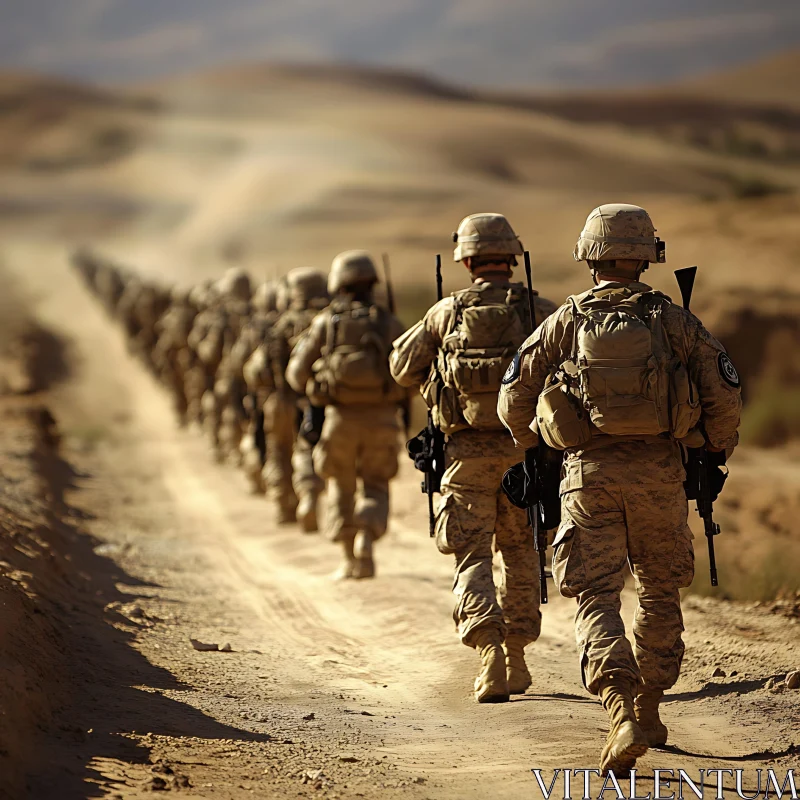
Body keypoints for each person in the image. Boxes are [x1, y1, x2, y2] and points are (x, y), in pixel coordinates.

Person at [497, 203, 742, 775]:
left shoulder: (568, 319)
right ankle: (652, 705)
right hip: (661, 473)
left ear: (589, 254)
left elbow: (514, 392)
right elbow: (725, 395)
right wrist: (712, 451)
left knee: (596, 593)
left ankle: (619, 708)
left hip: (588, 476)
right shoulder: (674, 320)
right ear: (649, 256)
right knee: (659, 590)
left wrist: (533, 440)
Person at [389, 213, 557, 703]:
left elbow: (401, 369)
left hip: (465, 455)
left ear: (465, 259)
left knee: (472, 554)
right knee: (522, 553)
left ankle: (489, 653)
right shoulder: (538, 309)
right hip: (524, 454)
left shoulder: (446, 312)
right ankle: (519, 654)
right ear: (512, 257)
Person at [286, 251, 406, 579]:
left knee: (340, 483)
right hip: (382, 418)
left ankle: (347, 557)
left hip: (339, 419)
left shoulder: (326, 322)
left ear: (338, 282)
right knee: (376, 483)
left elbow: (295, 373)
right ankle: (367, 542)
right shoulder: (388, 321)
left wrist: (317, 388)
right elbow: (410, 373)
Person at [262, 267, 329, 526]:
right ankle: (310, 493)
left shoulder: (281, 324)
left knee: (279, 451)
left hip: (280, 399)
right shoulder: (326, 319)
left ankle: (283, 505)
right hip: (318, 399)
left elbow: (257, 370)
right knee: (310, 449)